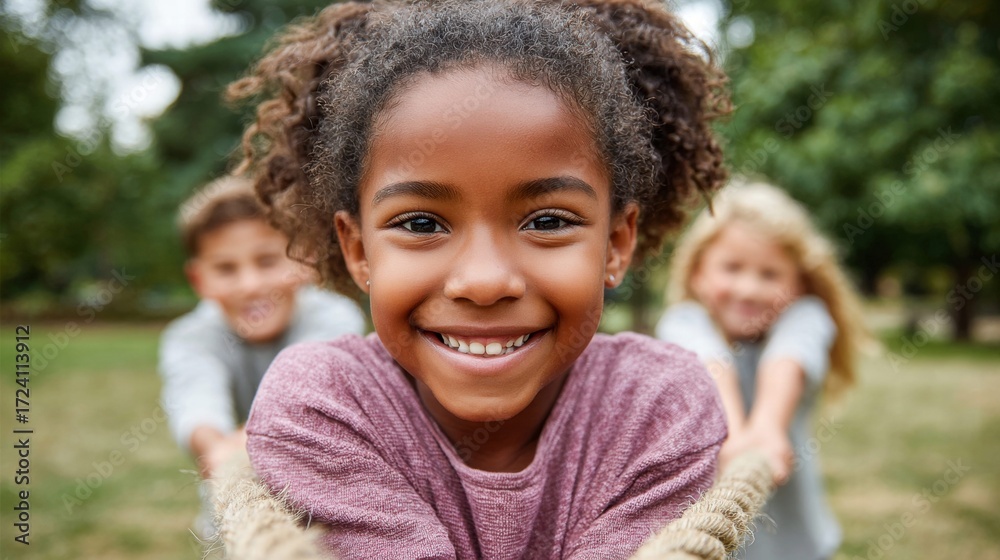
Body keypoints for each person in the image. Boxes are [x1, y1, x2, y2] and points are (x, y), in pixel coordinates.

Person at [228, 1, 732, 557]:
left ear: (615, 244)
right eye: (421, 224)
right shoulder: (320, 408)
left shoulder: (660, 410)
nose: (484, 281)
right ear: (359, 250)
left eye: (548, 222)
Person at [656, 181, 870, 560]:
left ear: (798, 283)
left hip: (796, 545)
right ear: (698, 275)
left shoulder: (807, 317)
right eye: (732, 268)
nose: (749, 289)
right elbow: (710, 363)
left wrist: (768, 428)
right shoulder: (683, 322)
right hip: (714, 543)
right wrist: (735, 436)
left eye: (770, 274)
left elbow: (787, 359)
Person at [157, 174, 366, 535]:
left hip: (328, 506)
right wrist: (216, 449)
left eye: (267, 261)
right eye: (225, 268)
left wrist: (240, 444)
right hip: (235, 516)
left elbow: (300, 393)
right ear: (199, 280)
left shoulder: (334, 317)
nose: (250, 285)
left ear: (305, 259)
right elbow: (196, 404)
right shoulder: (189, 338)